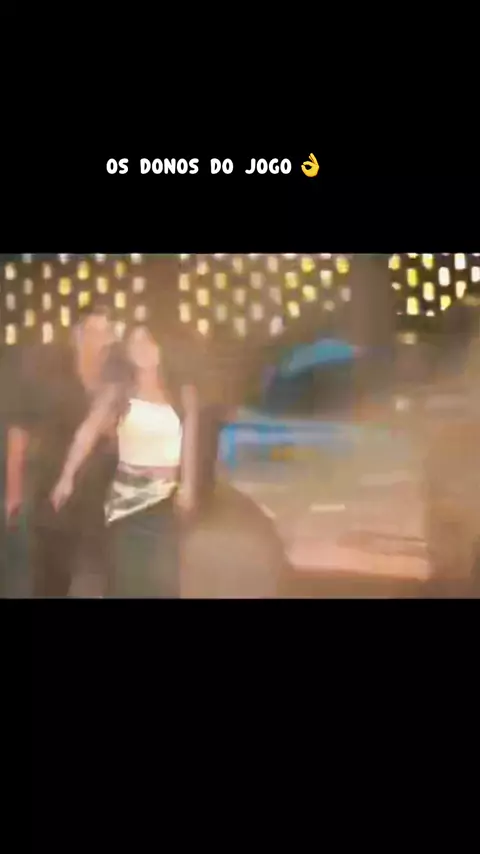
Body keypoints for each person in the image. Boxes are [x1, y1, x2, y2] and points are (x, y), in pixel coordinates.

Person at [50, 323, 198, 598]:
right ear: (128, 354)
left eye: (148, 341)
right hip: (127, 504)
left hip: (164, 503)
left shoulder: (181, 393)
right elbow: (87, 432)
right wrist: (67, 476)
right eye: (135, 344)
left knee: (163, 583)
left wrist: (188, 483)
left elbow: (188, 439)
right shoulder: (120, 393)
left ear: (160, 348)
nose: (142, 349)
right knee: (127, 581)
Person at [4, 304, 118, 597]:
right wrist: (14, 489)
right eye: (92, 332)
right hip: (53, 494)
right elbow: (20, 428)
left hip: (97, 501)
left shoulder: (113, 382)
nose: (99, 340)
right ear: (77, 335)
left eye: (105, 332)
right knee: (50, 580)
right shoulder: (51, 376)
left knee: (96, 578)